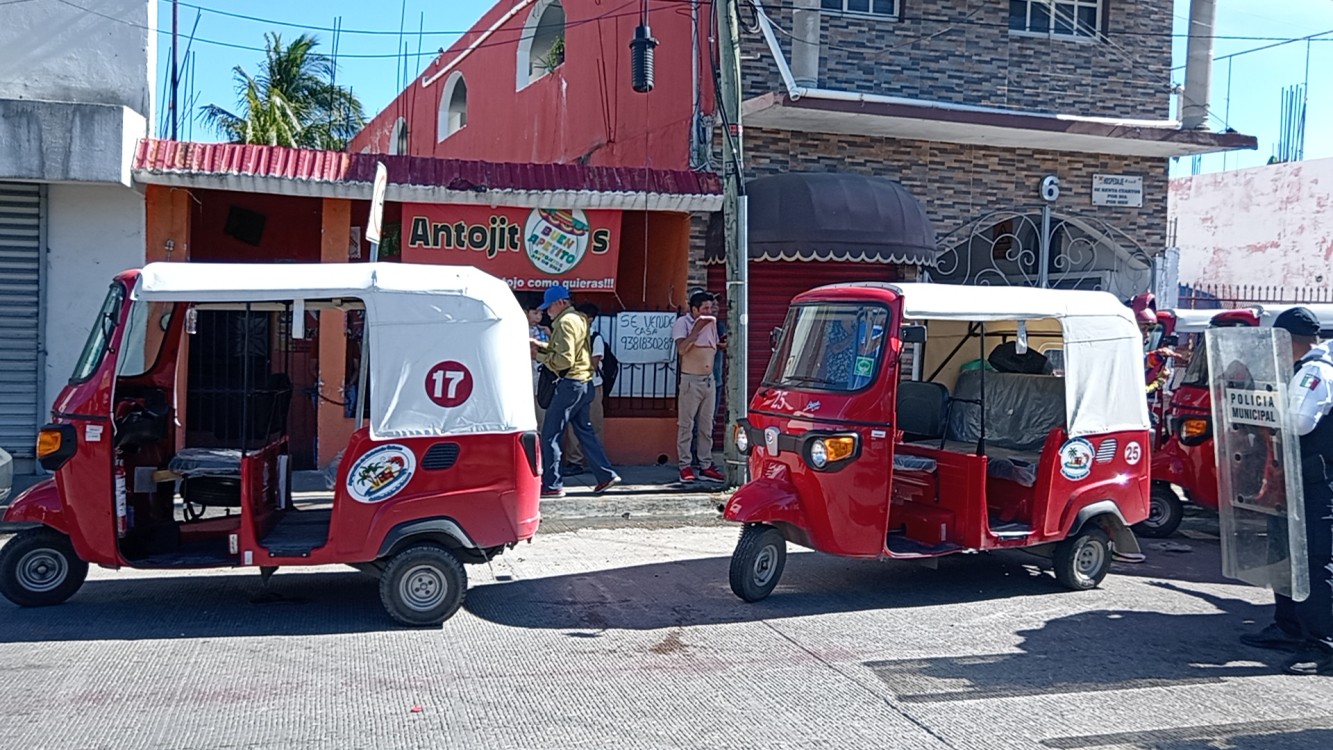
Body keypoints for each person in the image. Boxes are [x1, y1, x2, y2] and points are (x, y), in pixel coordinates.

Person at [1238, 307, 1333, 675]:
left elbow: (1299, 422)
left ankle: (1322, 643)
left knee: (1313, 560)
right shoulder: (1298, 368)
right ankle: (1290, 625)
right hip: (1291, 477)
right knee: (1284, 554)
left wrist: (1264, 406)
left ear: (1292, 340)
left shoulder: (1316, 371)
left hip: (1315, 479)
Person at [531, 284, 619, 498]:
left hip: (569, 383)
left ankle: (552, 484)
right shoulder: (579, 319)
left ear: (560, 303)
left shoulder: (564, 322)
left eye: (549, 307)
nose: (546, 312)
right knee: (584, 431)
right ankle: (605, 474)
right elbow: (572, 350)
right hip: (585, 382)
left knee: (551, 434)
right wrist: (541, 345)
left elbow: (563, 360)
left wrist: (538, 356)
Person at [673, 290, 725, 483]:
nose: (709, 312)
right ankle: (685, 465)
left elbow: (711, 346)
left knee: (706, 426)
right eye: (705, 308)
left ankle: (706, 464)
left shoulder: (712, 323)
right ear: (694, 309)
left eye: (711, 308)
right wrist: (696, 329)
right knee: (686, 426)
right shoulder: (683, 323)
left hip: (709, 380)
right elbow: (681, 349)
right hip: (691, 381)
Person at [562, 301, 606, 474]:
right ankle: (575, 461)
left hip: (592, 385)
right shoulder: (571, 336)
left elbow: (594, 363)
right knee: (574, 424)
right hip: (575, 384)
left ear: (589, 319)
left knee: (594, 423)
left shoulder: (595, 338)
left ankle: (597, 461)